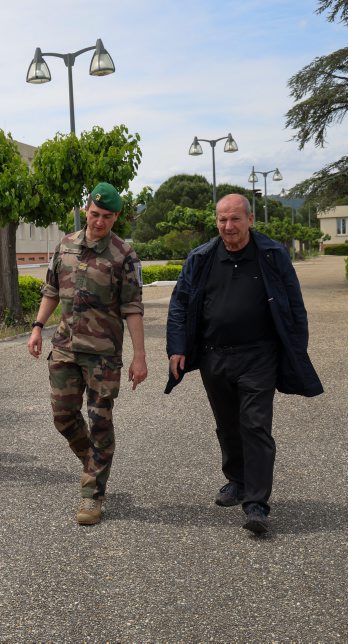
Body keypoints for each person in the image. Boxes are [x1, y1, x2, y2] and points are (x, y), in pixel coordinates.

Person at [165, 193, 323, 535]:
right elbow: (180, 303)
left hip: (258, 356)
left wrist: (296, 349)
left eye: (235, 218)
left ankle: (256, 504)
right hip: (214, 355)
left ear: (250, 219)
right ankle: (236, 481)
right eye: (222, 219)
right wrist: (177, 348)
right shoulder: (201, 257)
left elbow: (294, 305)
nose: (228, 226)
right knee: (227, 425)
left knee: (255, 425)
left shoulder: (272, 254)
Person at [27, 183, 146, 526]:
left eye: (107, 216)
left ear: (116, 217)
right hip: (65, 347)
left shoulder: (124, 255)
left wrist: (139, 356)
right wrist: (37, 327)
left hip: (103, 355)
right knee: (63, 416)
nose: (99, 221)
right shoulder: (65, 245)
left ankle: (92, 492)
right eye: (95, 214)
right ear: (86, 210)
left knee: (100, 421)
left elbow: (133, 308)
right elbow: (52, 290)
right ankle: (93, 463)